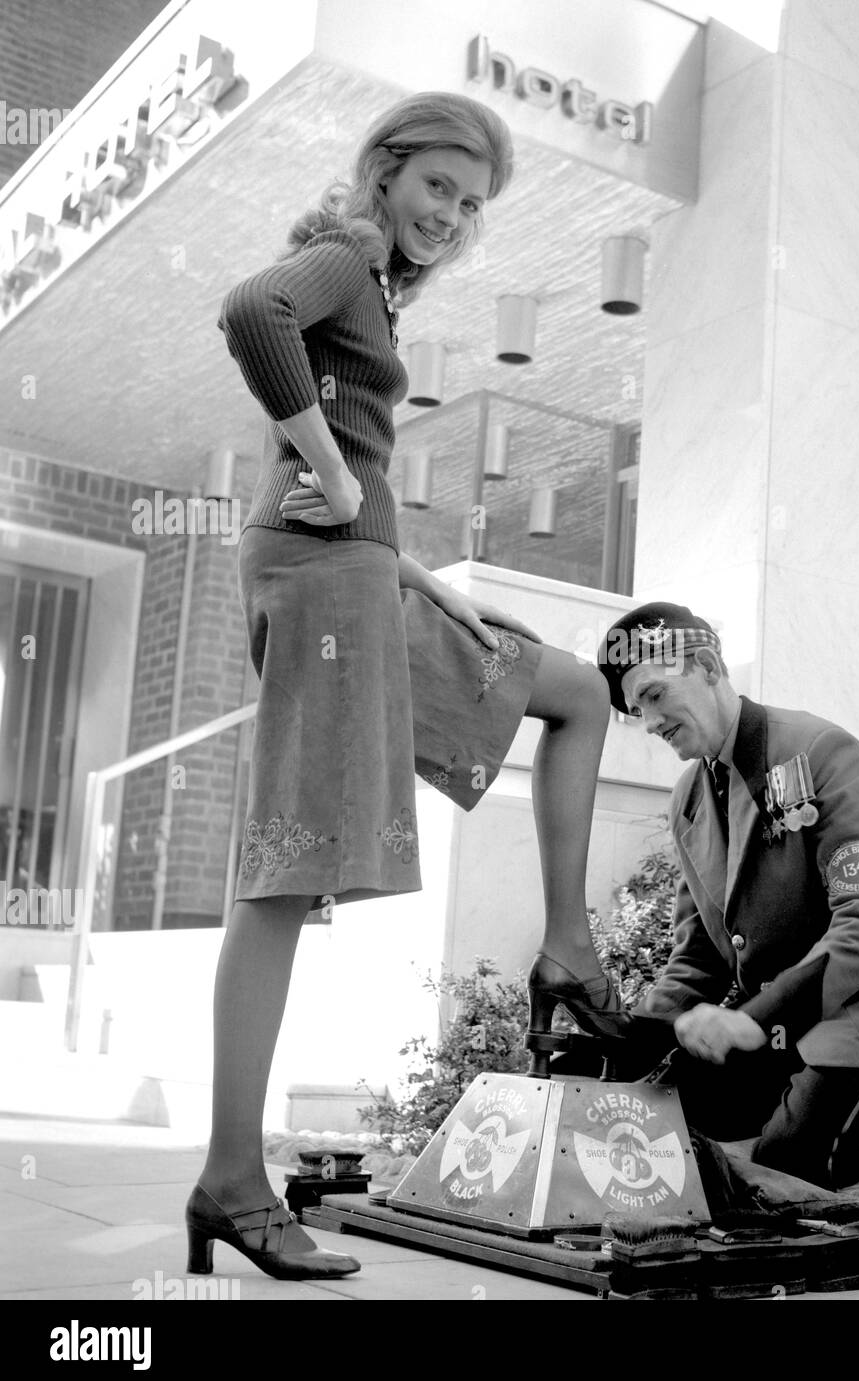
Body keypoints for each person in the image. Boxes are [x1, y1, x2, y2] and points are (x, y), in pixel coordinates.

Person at [192, 92, 621, 1282]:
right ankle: (230, 1177)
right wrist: (331, 472)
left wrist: (434, 588)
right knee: (279, 877)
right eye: (440, 186)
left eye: (474, 204)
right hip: (325, 586)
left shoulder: (379, 284)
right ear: (383, 172)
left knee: (573, 693)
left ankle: (567, 952)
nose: (454, 216)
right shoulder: (343, 253)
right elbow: (249, 312)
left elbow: (349, 478)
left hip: (367, 584)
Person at [595, 602, 859, 1191]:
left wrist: (756, 1020)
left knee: (790, 1177)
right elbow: (701, 953)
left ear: (706, 666)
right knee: (662, 1134)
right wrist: (642, 1041)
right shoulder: (687, 801)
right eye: (635, 711)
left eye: (653, 695)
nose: (648, 722)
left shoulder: (823, 751)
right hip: (776, 1024)